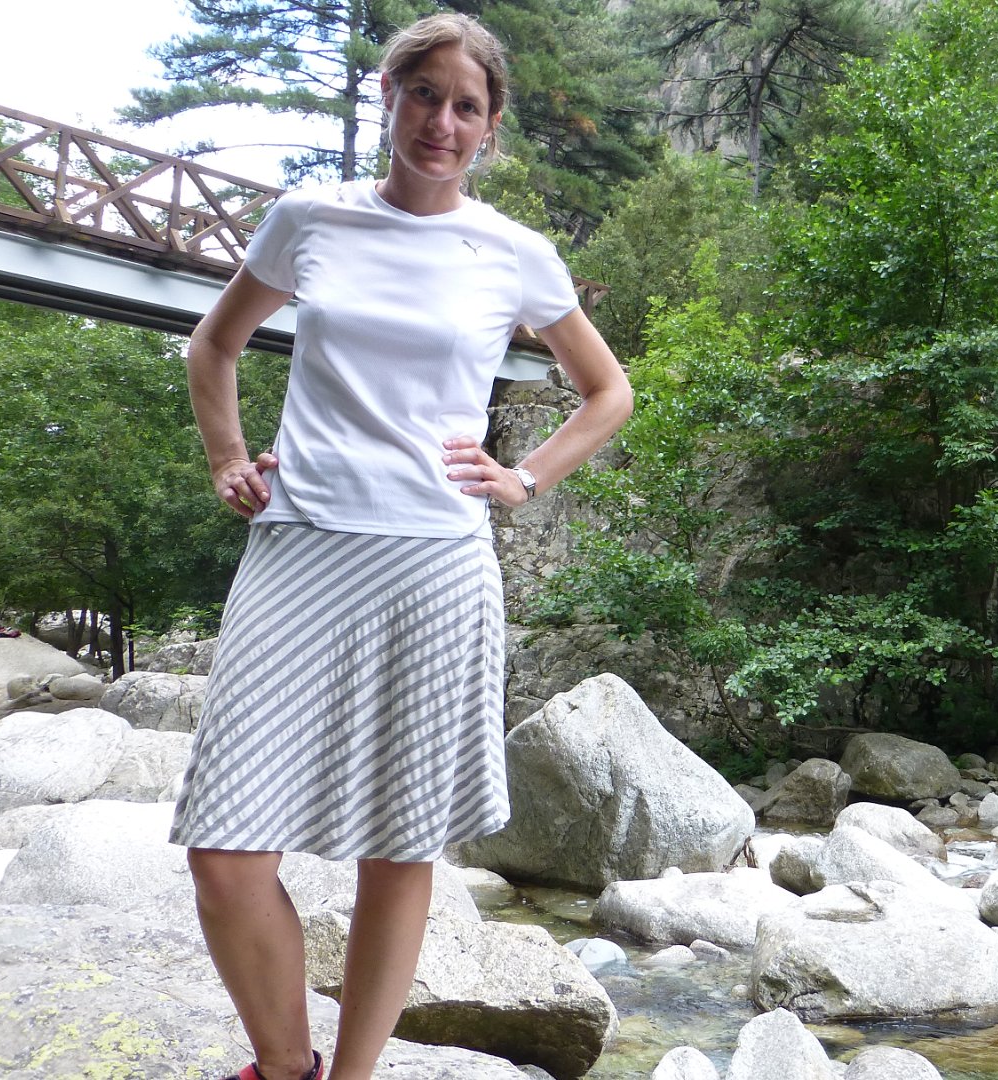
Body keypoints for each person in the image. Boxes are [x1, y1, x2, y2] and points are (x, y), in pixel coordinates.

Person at [168, 13, 632, 1080]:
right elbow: (214, 343)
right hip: (300, 547)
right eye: (424, 94)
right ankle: (285, 1066)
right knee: (225, 852)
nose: (442, 122)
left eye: (466, 105)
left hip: (435, 562)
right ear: (389, 98)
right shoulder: (309, 218)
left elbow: (607, 391)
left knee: (399, 843)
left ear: (489, 127)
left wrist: (523, 478)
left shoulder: (513, 251)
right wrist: (228, 457)